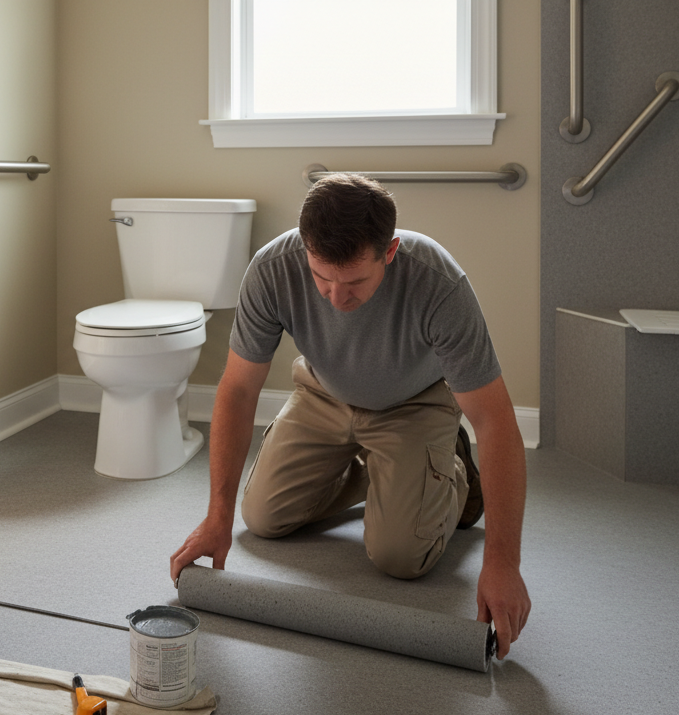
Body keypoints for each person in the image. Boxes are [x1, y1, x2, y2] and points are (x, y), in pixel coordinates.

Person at [168, 174, 531, 658]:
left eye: (355, 281)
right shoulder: (272, 268)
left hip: (413, 402)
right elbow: (237, 390)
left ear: (390, 251)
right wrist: (216, 516)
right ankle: (392, 475)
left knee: (400, 557)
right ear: (305, 248)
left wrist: (503, 563)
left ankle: (454, 472)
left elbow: (496, 423)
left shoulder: (439, 283)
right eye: (322, 277)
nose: (337, 298)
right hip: (325, 392)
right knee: (261, 517)